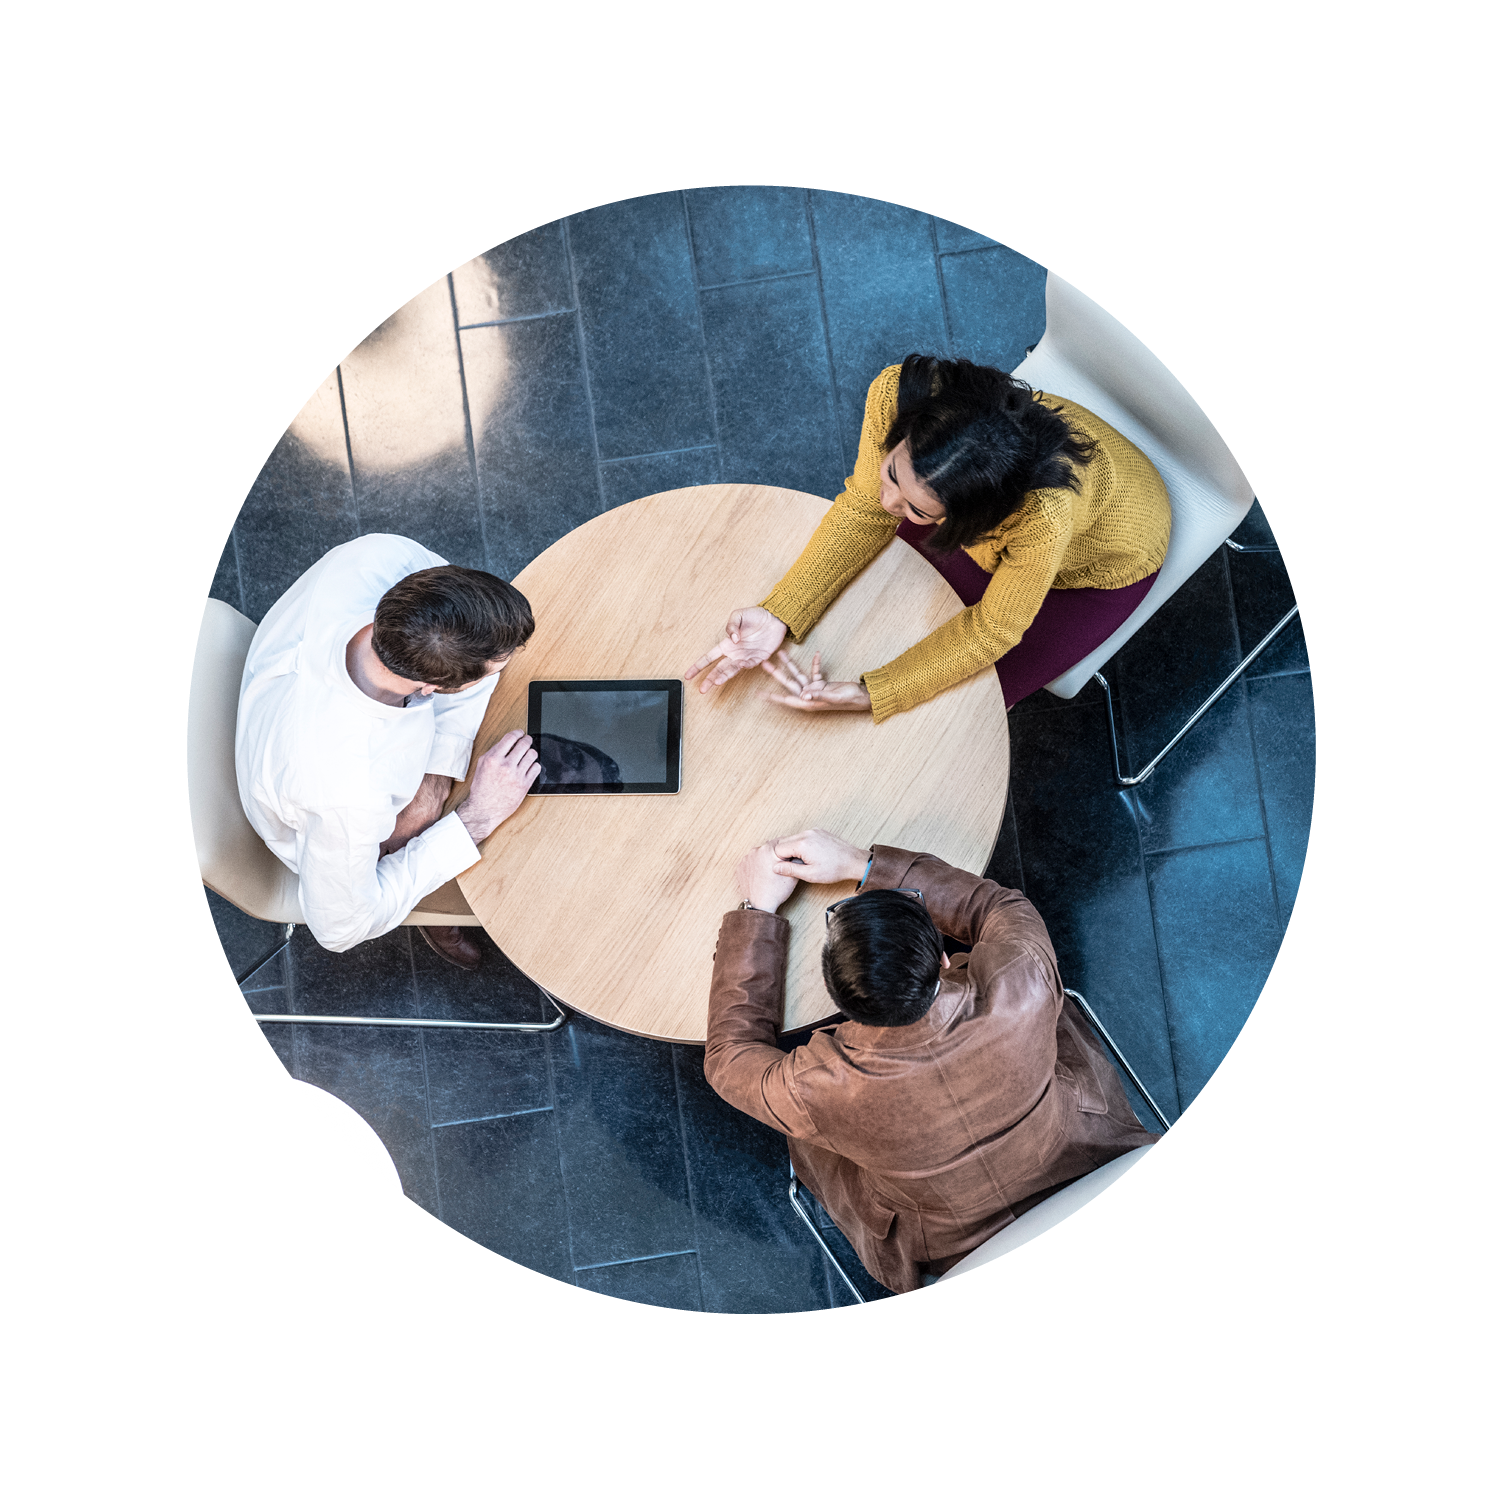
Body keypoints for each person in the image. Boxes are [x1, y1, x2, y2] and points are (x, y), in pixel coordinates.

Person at [704, 828, 1159, 1294]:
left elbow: (728, 1057)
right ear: (943, 960)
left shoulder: (815, 1085)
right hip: (1086, 1153)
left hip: (943, 1246)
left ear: (838, 994)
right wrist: (862, 865)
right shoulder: (1021, 976)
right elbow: (999, 907)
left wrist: (756, 912)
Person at [685, 355, 1172, 721]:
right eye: (893, 472)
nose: (890, 503)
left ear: (971, 519)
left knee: (957, 713)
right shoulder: (898, 393)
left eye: (917, 508)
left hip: (1096, 566)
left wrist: (872, 693)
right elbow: (865, 506)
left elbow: (993, 630)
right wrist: (781, 611)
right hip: (991, 523)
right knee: (869, 610)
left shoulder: (1041, 515)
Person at [235, 533, 541, 969]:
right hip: (326, 836)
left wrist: (431, 788)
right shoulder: (349, 790)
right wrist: (476, 816)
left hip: (279, 721)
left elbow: (460, 657)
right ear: (434, 688)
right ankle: (442, 902)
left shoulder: (381, 557)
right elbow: (341, 929)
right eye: (497, 663)